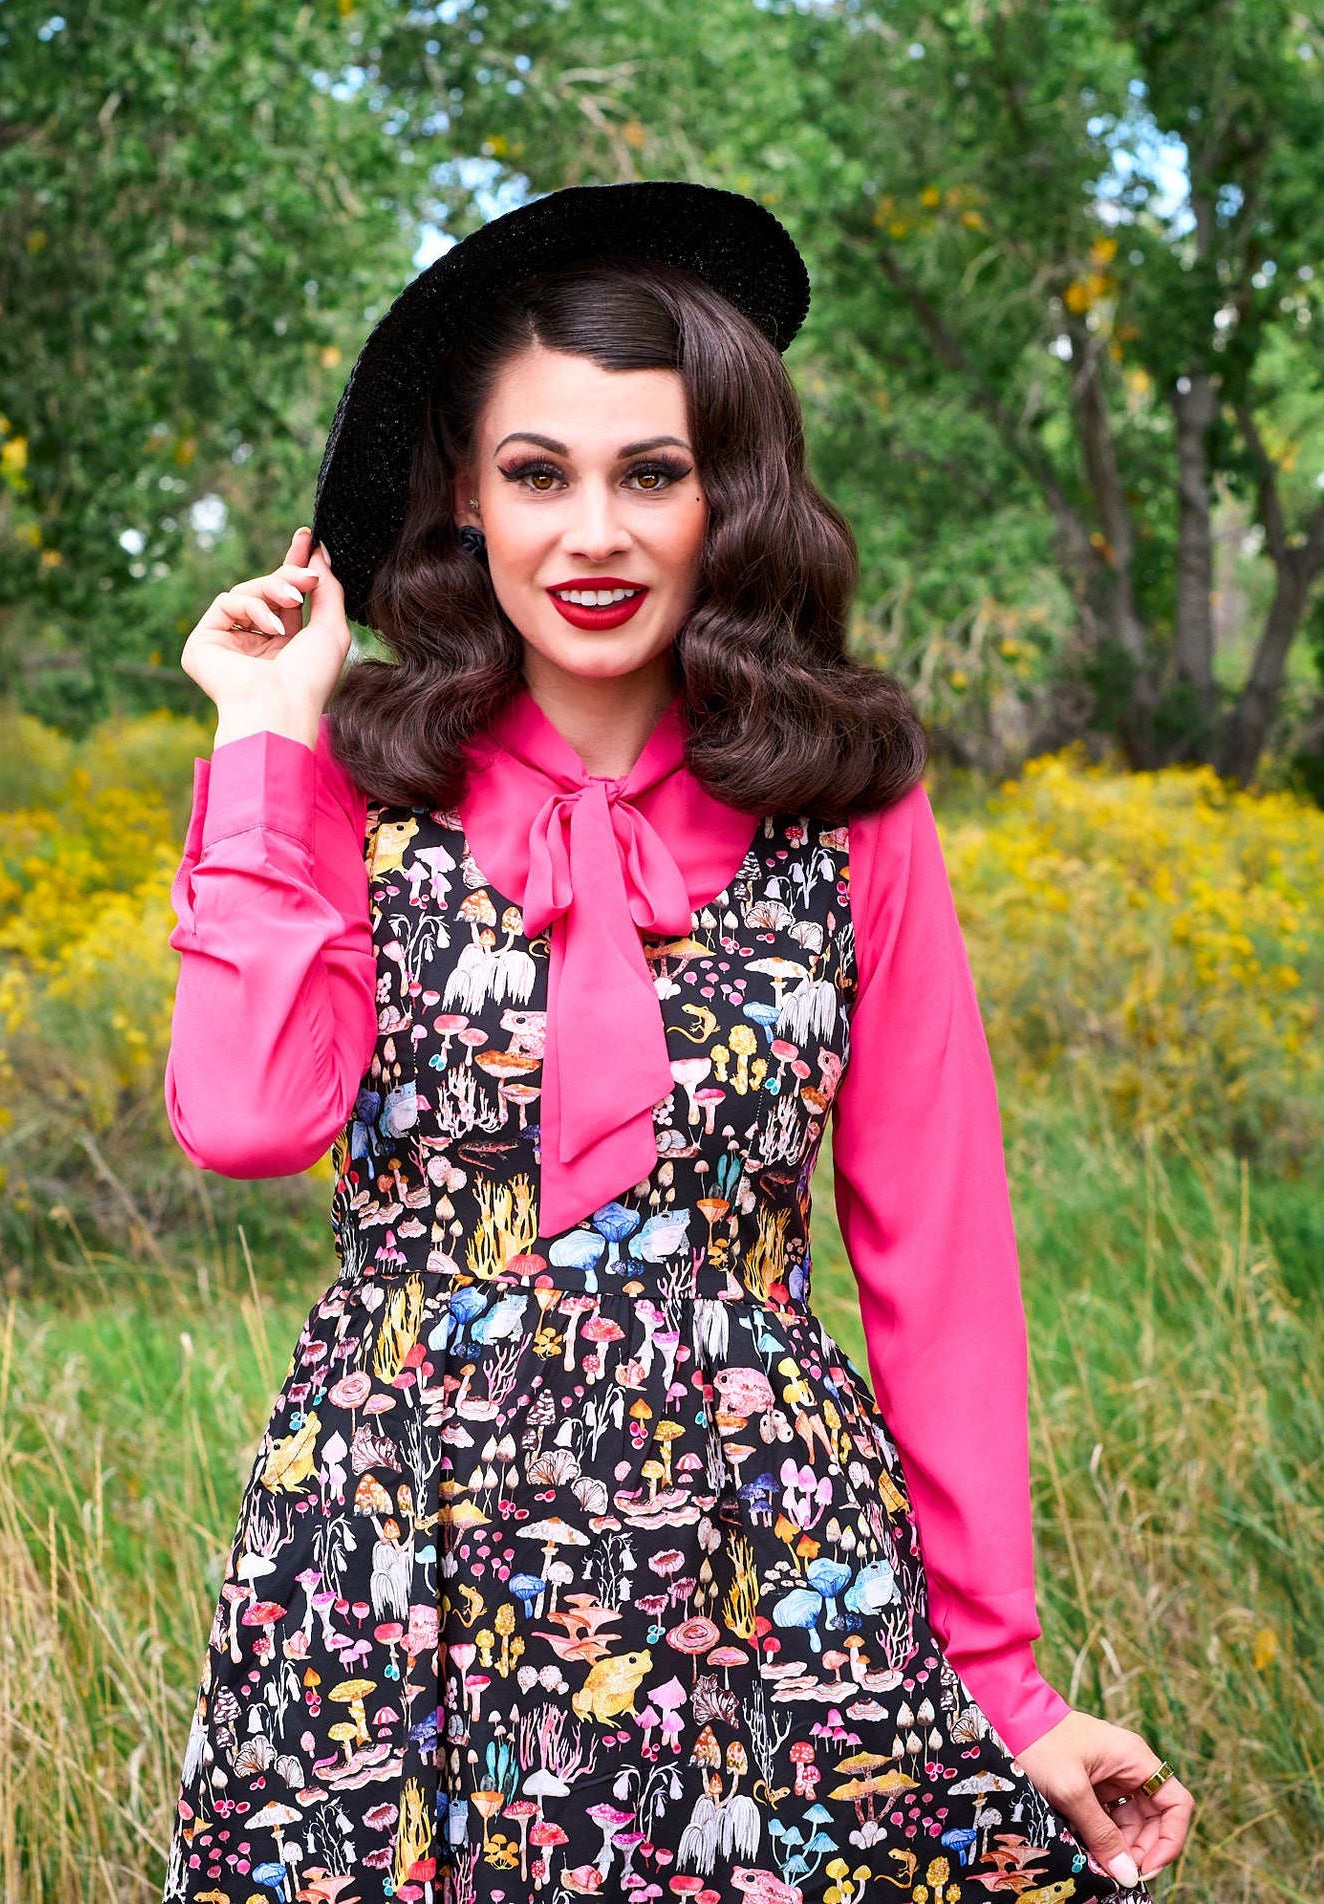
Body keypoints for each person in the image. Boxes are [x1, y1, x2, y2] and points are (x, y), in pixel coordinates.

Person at [160, 181, 1193, 1902]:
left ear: (730, 496)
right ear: (465, 498)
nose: (594, 534)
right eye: (535, 474)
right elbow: (250, 1120)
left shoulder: (850, 808)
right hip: (395, 1550)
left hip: (767, 1556)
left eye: (651, 473)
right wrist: (263, 741)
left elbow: (934, 1254)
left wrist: (1001, 1680)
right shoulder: (345, 788)